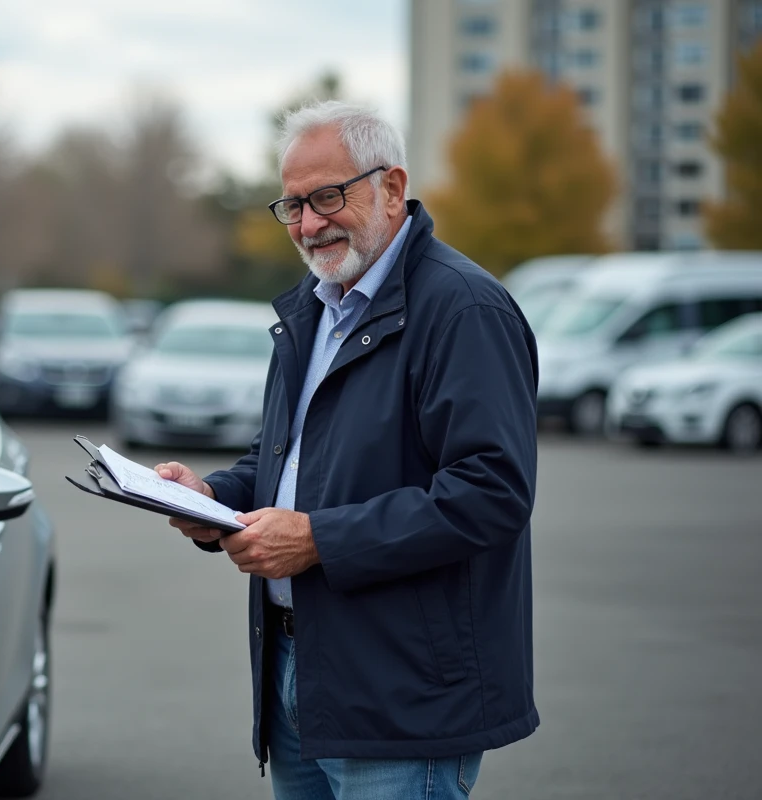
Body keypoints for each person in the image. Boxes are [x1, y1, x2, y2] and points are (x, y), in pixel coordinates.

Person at [154, 101, 539, 799]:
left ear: (392, 188)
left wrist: (318, 540)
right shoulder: (315, 307)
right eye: (292, 205)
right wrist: (213, 498)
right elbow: (288, 461)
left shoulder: (463, 310)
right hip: (296, 672)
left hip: (405, 695)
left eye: (327, 196)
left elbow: (493, 492)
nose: (307, 224)